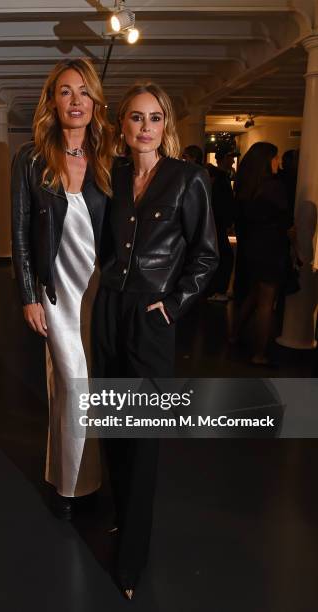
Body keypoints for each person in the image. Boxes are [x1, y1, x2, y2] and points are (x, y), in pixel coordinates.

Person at [93, 82, 219, 598]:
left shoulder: (188, 179)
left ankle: (131, 562)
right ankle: (123, 519)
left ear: (166, 125)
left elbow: (208, 254)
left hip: (152, 313)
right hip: (109, 309)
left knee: (143, 434)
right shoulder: (114, 176)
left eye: (154, 118)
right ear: (122, 127)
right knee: (113, 423)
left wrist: (174, 302)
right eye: (135, 119)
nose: (145, 128)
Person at [11, 58, 112, 520]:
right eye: (66, 91)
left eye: (84, 92)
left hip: (101, 291)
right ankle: (69, 487)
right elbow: (20, 231)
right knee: (71, 387)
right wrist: (29, 294)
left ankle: (88, 480)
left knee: (98, 389)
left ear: (96, 101)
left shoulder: (113, 156)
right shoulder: (30, 159)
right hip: (56, 293)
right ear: (52, 99)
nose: (76, 101)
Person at [231, 142, 290, 365]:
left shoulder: (246, 186)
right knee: (266, 301)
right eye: (275, 158)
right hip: (270, 248)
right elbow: (283, 219)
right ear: (266, 161)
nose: (279, 162)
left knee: (256, 294)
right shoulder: (273, 187)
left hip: (253, 247)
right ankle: (260, 353)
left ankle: (234, 334)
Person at [206, 144, 236, 302]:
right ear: (223, 159)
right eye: (230, 157)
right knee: (224, 257)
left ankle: (215, 290)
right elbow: (220, 203)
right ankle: (216, 290)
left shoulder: (220, 177)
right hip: (217, 224)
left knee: (224, 256)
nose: (232, 160)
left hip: (217, 224)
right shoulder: (219, 178)